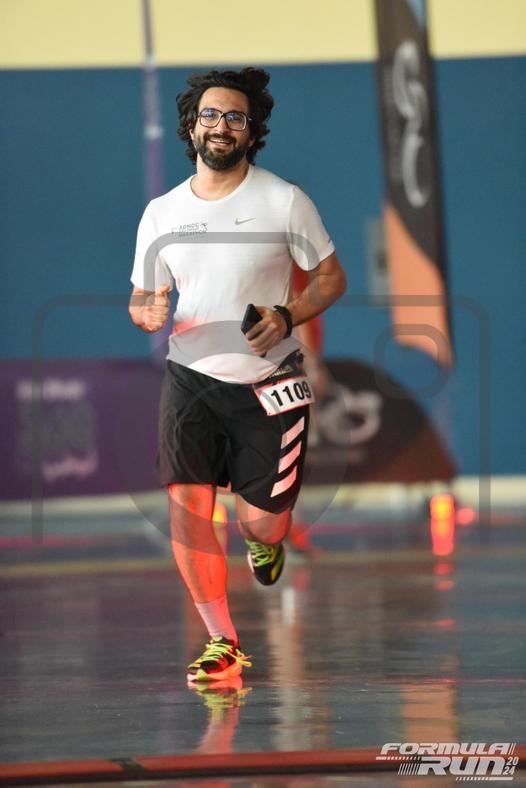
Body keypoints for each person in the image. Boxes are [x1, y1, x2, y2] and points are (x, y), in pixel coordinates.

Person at [129, 67, 346, 683]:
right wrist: (146, 311)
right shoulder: (161, 212)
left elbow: (331, 279)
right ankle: (222, 641)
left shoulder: (284, 200)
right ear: (191, 126)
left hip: (268, 381)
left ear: (252, 132)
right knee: (186, 505)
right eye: (210, 115)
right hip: (189, 378)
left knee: (261, 521)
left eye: (235, 117)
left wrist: (286, 315)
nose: (221, 126)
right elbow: (144, 296)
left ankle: (265, 542)